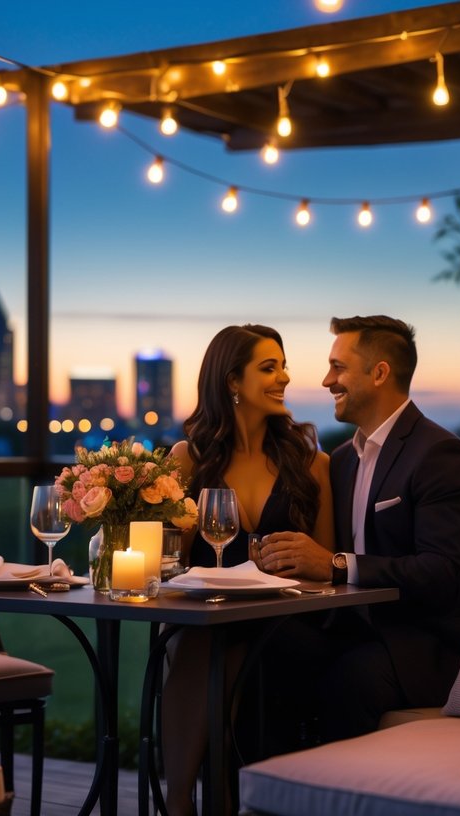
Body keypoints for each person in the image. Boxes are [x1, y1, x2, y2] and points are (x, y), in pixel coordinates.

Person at [254, 314, 460, 743]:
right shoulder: (342, 460)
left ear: (380, 373)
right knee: (262, 650)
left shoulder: (440, 455)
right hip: (355, 632)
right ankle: (253, 793)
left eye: (338, 367)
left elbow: (443, 574)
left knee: (347, 680)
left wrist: (336, 565)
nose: (326, 381)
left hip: (422, 646)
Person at [161, 324, 334, 816]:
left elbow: (328, 564)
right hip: (210, 620)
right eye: (268, 367)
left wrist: (301, 562)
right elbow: (169, 563)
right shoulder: (188, 461)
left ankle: (188, 803)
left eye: (282, 366)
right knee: (208, 635)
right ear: (232, 381)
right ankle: (186, 802)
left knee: (220, 639)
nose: (284, 377)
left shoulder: (311, 463)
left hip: (289, 623)